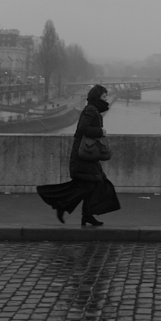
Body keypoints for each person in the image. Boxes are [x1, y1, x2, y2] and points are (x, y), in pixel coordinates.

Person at [36, 84, 121, 227]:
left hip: (88, 154)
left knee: (94, 183)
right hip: (83, 154)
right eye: (105, 96)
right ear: (98, 96)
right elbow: (83, 128)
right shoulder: (91, 110)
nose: (107, 99)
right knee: (89, 185)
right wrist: (100, 132)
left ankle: (86, 215)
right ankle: (62, 205)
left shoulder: (94, 110)